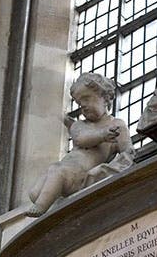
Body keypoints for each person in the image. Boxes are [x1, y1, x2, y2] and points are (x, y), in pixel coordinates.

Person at [27, 73, 134, 217]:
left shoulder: (117, 125)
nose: (83, 105)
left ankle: (41, 206)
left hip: (78, 176)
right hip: (63, 167)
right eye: (79, 103)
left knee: (58, 174)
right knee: (36, 190)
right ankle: (44, 199)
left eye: (86, 98)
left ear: (105, 97)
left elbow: (127, 151)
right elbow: (80, 139)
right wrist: (102, 135)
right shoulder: (80, 125)